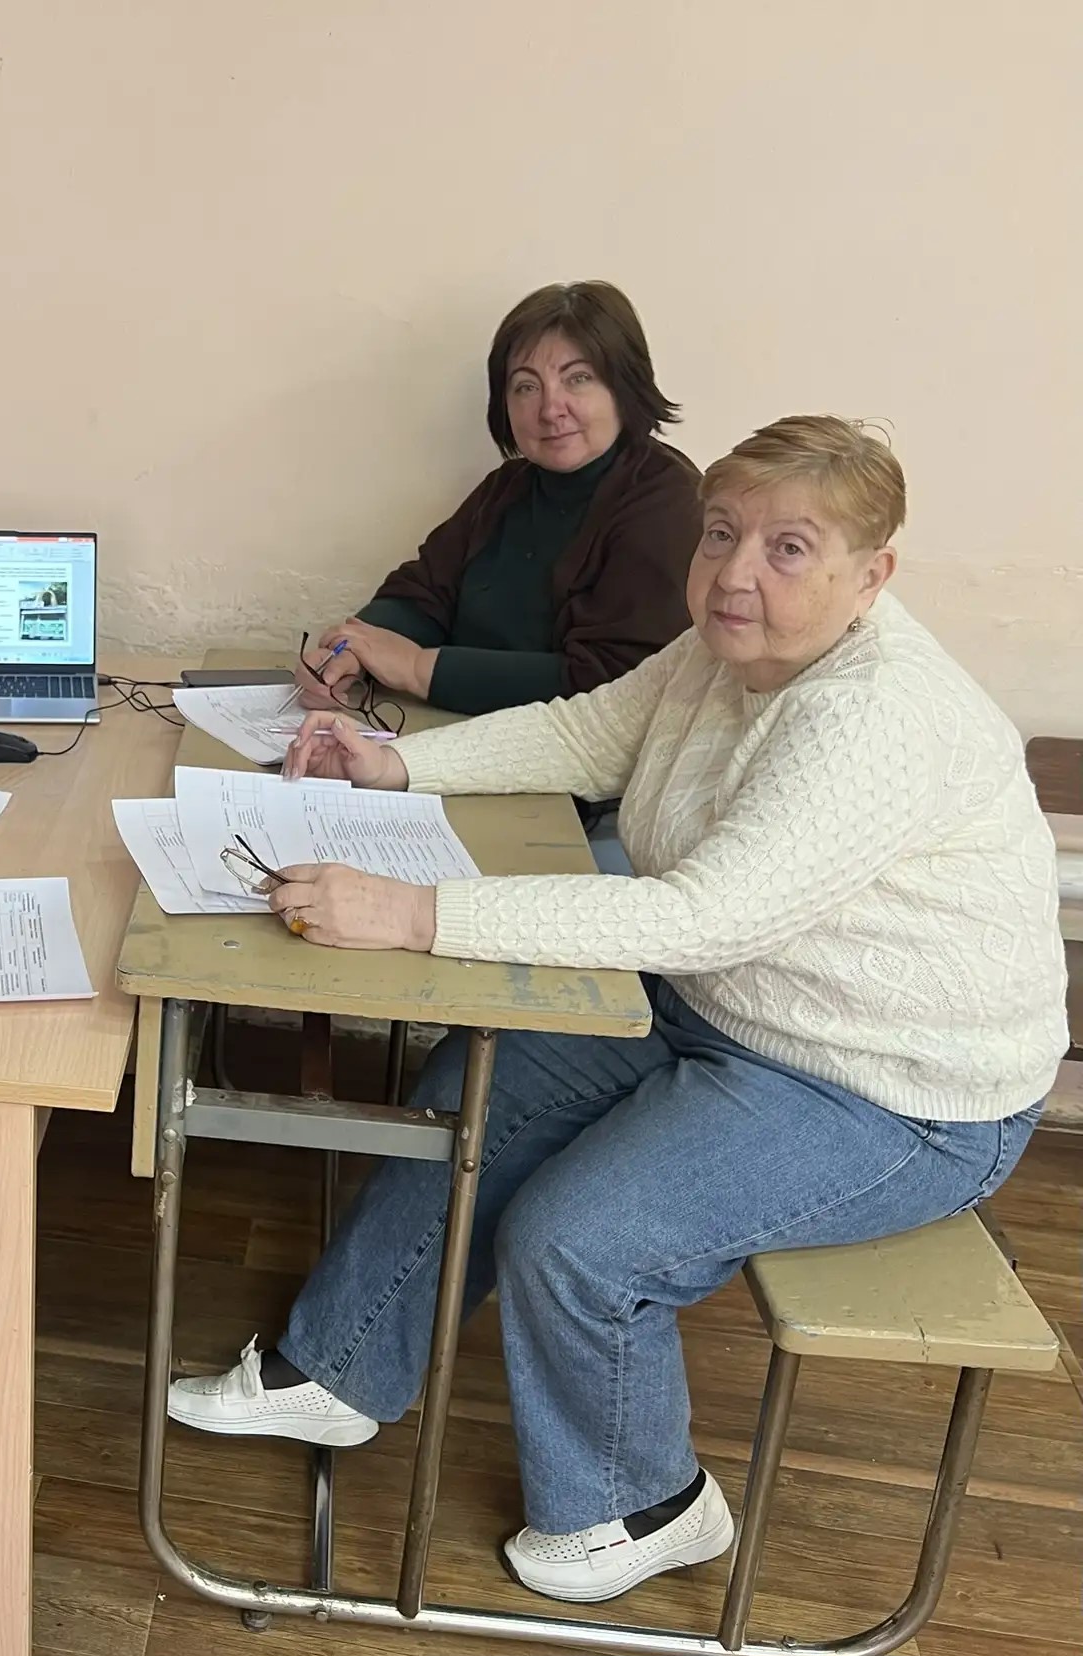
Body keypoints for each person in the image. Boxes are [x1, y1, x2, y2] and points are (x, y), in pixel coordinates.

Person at [172, 416, 1067, 1605]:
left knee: (579, 1240)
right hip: (727, 1013)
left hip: (894, 1093)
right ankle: (339, 1369)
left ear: (872, 575)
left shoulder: (876, 714)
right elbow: (587, 732)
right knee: (476, 1087)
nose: (736, 572)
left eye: (789, 548)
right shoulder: (724, 650)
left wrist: (415, 912)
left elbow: (704, 915)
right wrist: (398, 766)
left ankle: (646, 1504)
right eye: (722, 534)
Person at [296, 281, 700, 722]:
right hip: (454, 728)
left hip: (570, 760)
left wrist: (416, 668)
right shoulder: (508, 488)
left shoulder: (669, 504)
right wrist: (353, 649)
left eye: (578, 379)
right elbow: (424, 594)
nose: (550, 409)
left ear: (625, 386)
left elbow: (613, 681)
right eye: (526, 387)